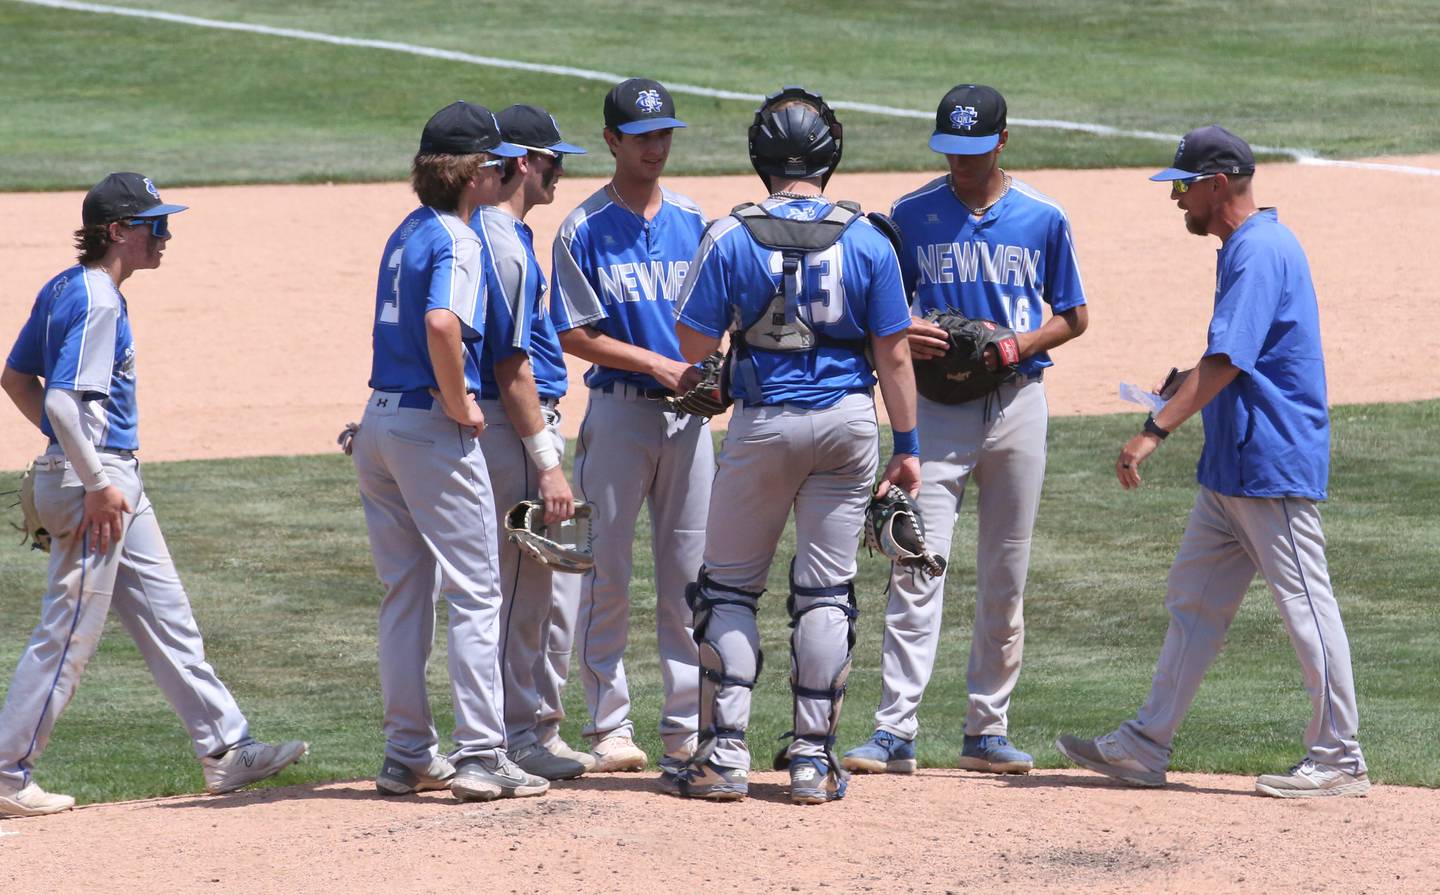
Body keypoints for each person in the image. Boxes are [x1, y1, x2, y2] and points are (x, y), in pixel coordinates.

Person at [1056, 125, 1370, 799]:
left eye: (1184, 187)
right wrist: (1183, 385)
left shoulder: (1259, 250)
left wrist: (1153, 430)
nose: (1177, 200)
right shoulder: (1243, 248)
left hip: (1269, 462)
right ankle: (1144, 744)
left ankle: (1340, 756)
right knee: (1194, 603)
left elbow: (1229, 360)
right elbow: (1229, 357)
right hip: (1231, 464)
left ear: (1218, 184)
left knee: (1307, 607)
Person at [0, 173, 307, 818]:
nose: (166, 237)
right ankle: (6, 772)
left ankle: (226, 749)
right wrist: (92, 476)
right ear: (118, 231)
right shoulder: (98, 300)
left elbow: (15, 378)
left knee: (168, 616)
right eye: (154, 225)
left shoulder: (65, 285)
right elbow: (56, 397)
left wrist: (72, 453)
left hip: (100, 477)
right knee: (68, 633)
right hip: (98, 486)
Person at [670, 86, 921, 804]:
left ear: (761, 157)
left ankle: (725, 756)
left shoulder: (728, 234)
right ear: (829, 155)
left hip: (764, 423)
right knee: (825, 591)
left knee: (728, 588)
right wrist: (907, 443)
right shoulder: (869, 237)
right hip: (848, 424)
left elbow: (692, 347)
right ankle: (812, 760)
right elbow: (896, 355)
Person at [843, 84, 1089, 777]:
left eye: (974, 151)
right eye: (950, 151)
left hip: (1017, 403)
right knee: (916, 563)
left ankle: (987, 729)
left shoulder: (1042, 217)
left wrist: (1017, 345)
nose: (960, 163)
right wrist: (905, 330)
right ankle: (894, 732)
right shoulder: (913, 215)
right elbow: (878, 315)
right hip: (939, 410)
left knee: (1006, 573)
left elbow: (1073, 313)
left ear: (1002, 143)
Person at [352, 101, 549, 803]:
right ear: (475, 175)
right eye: (495, 163)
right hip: (430, 428)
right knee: (476, 591)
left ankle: (407, 752)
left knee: (406, 592)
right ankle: (480, 753)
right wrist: (461, 402)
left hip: (378, 423)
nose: (503, 171)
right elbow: (442, 321)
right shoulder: (463, 241)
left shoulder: (408, 230)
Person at [549, 78, 709, 776]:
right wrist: (658, 363)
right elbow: (574, 334)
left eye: (664, 133)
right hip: (617, 412)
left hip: (689, 420)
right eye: (642, 136)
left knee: (689, 580)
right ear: (611, 140)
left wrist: (709, 371)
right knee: (605, 573)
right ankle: (609, 725)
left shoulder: (695, 219)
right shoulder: (583, 228)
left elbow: (716, 316)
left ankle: (686, 727)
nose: (656, 146)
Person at [470, 103, 588, 780]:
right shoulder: (503, 241)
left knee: (522, 588)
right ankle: (512, 735)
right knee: (518, 587)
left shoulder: (490, 234)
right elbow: (508, 364)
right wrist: (545, 459)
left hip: (517, 422)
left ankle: (518, 728)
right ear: (523, 162)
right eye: (552, 161)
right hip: (518, 424)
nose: (560, 174)